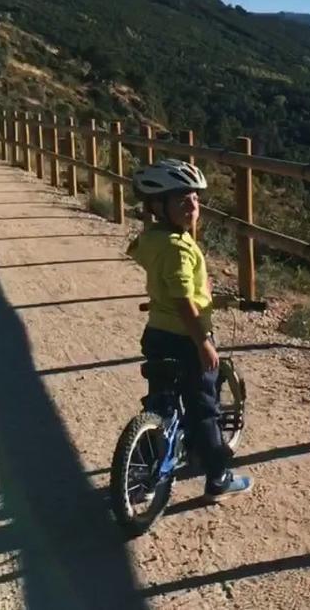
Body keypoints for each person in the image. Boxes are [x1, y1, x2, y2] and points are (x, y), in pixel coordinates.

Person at [128, 158, 253, 502]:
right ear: (157, 205)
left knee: (161, 402)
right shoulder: (179, 248)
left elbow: (168, 286)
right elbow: (183, 299)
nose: (192, 205)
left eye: (195, 198)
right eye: (181, 199)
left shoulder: (152, 240)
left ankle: (142, 469)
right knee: (204, 409)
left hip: (157, 333)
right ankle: (217, 477)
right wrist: (203, 342)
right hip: (187, 337)